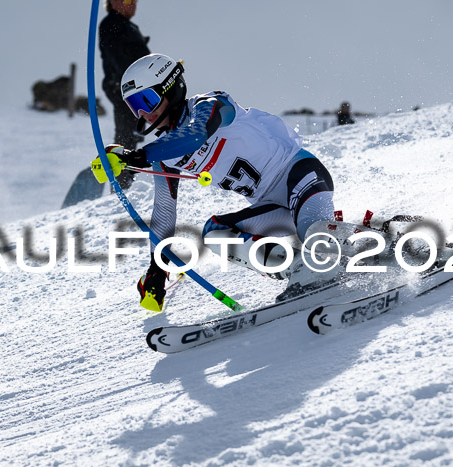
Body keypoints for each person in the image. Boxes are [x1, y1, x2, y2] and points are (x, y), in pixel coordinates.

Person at [104, 54, 336, 311]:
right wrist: (157, 269)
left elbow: (194, 136)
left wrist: (139, 156)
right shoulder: (164, 156)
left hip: (301, 175)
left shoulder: (211, 104)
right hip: (273, 208)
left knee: (315, 234)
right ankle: (297, 269)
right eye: (135, 106)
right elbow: (163, 213)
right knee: (214, 234)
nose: (144, 113)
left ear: (171, 87)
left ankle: (330, 258)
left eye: (148, 100)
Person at [99, 0, 150, 189]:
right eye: (128, 0)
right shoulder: (112, 23)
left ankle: (126, 179)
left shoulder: (125, 24)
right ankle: (121, 182)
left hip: (133, 84)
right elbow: (117, 54)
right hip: (123, 85)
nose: (134, 4)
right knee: (126, 131)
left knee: (132, 130)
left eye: (135, 1)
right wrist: (135, 77)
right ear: (114, 2)